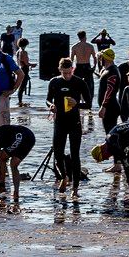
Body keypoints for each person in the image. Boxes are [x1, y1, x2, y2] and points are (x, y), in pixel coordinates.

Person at [47, 58, 90, 193]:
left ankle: (75, 188)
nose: (67, 75)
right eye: (64, 73)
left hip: (74, 122)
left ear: (73, 69)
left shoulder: (79, 82)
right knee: (58, 154)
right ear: (60, 70)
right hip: (59, 121)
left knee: (74, 154)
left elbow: (88, 104)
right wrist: (51, 106)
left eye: (69, 72)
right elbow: (48, 99)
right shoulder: (54, 82)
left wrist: (77, 103)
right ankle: (64, 178)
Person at [0, 123, 36, 200]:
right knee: (13, 164)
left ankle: (1, 188)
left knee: (1, 157)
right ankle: (15, 192)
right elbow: (1, 162)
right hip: (30, 137)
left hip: (22, 136)